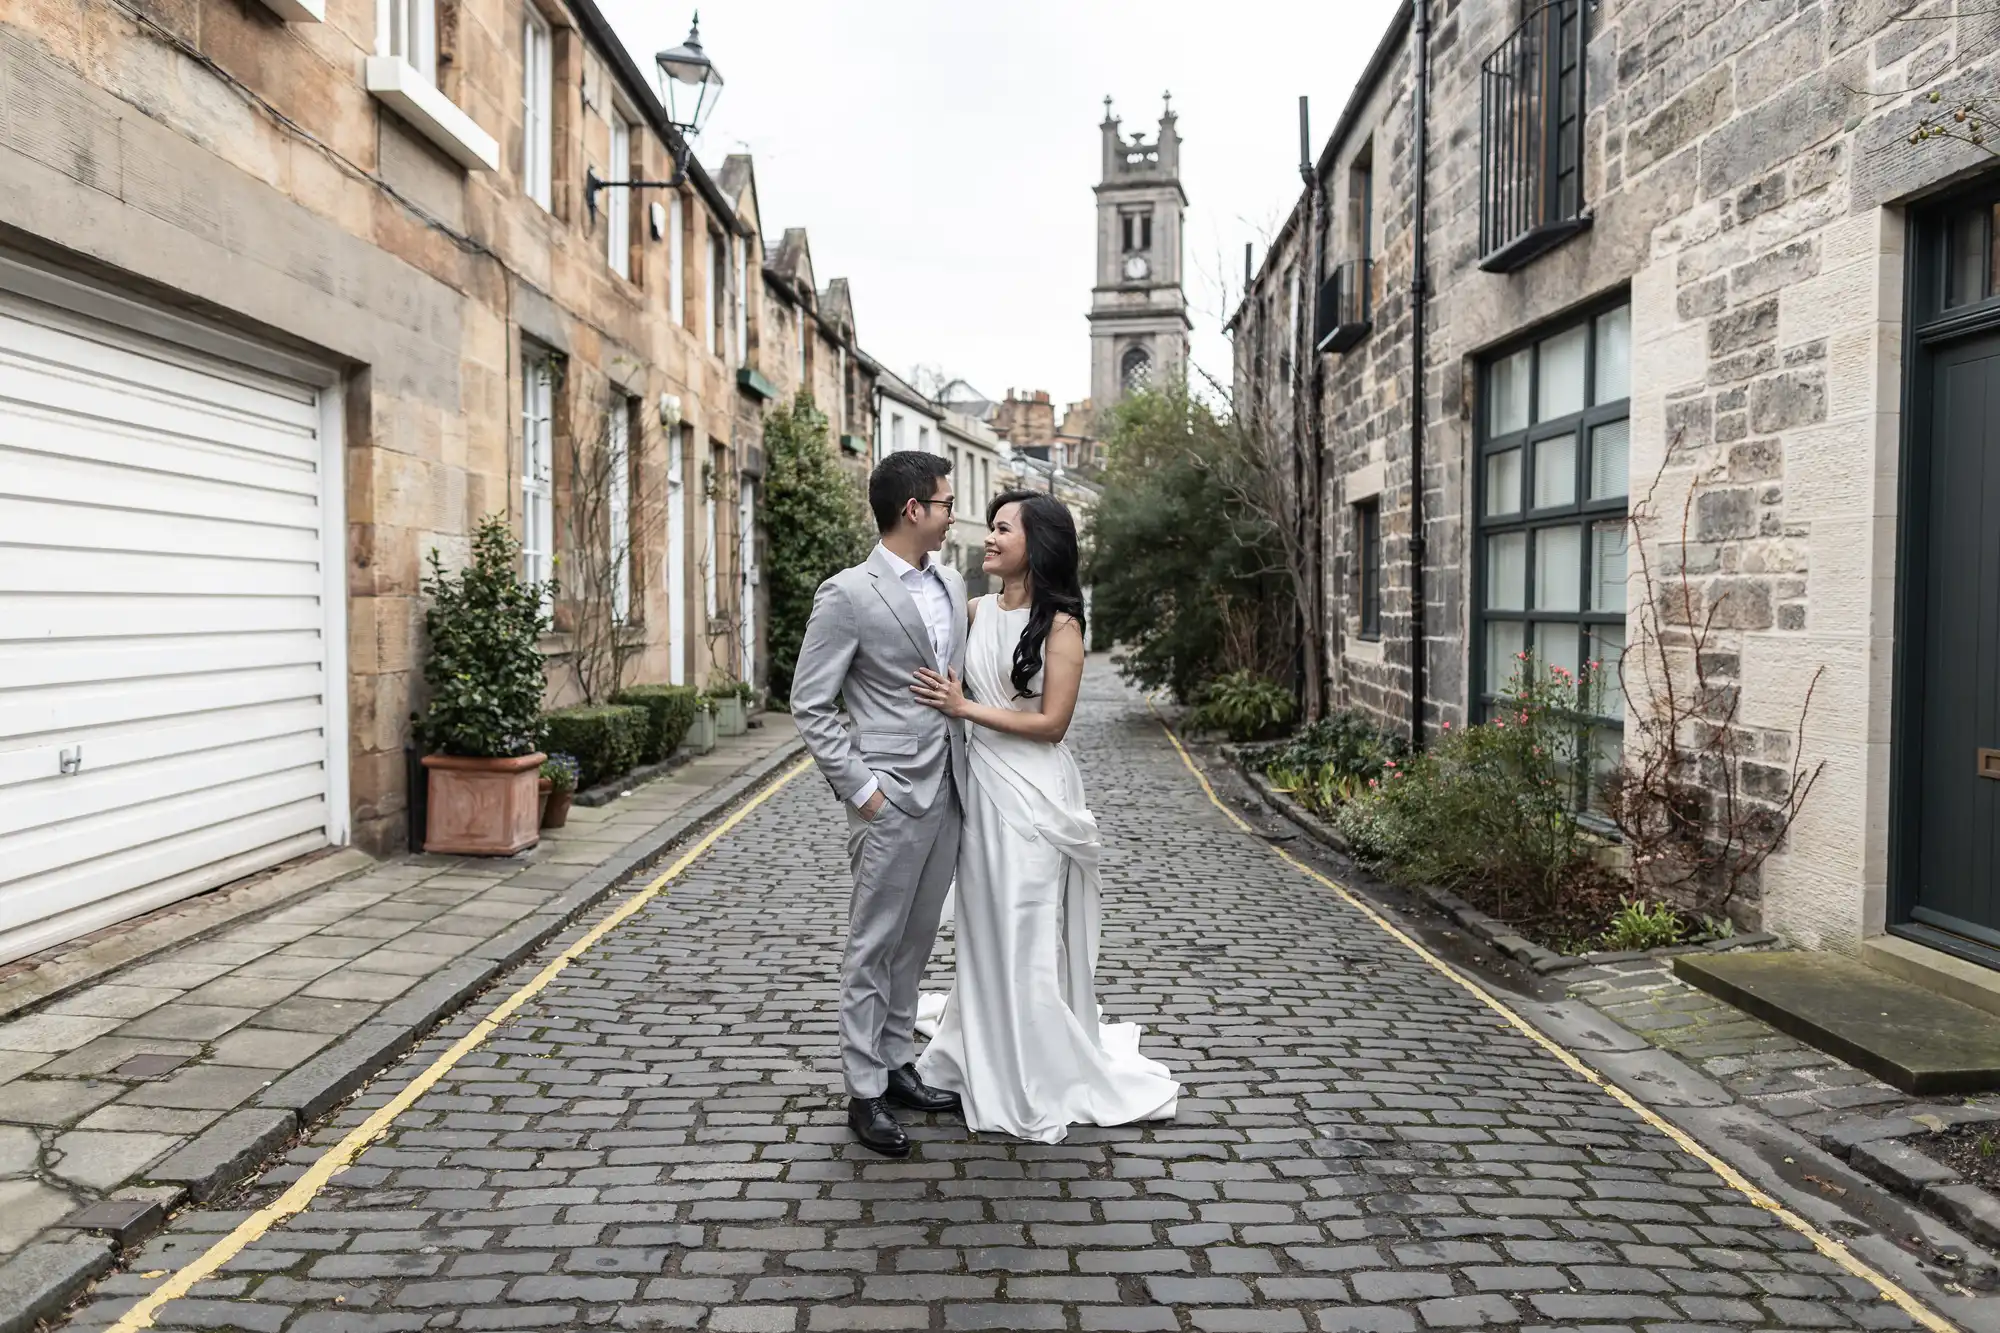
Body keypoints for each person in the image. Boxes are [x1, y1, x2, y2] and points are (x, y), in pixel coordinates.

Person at [909, 489, 1179, 1143]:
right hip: (978, 791)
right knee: (980, 923)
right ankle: (981, 1043)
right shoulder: (971, 611)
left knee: (1027, 926)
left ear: (1038, 544)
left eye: (1003, 529)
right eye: (992, 528)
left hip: (1032, 795)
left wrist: (965, 709)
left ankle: (1030, 1067)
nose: (991, 537)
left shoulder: (1062, 627)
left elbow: (1052, 724)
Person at [790, 451, 969, 1158]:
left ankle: (897, 1064)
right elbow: (810, 702)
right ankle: (864, 1091)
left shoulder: (953, 582)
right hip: (888, 795)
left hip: (950, 785)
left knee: (917, 940)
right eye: (946, 502)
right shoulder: (848, 593)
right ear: (912, 510)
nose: (954, 513)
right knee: (873, 943)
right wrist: (863, 788)